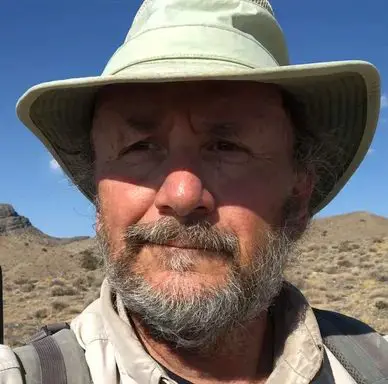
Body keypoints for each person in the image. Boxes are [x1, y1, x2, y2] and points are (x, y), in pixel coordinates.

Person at [1, 0, 387, 383]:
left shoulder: (371, 366)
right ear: (99, 198)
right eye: (138, 147)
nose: (183, 196)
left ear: (299, 196)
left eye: (227, 147)